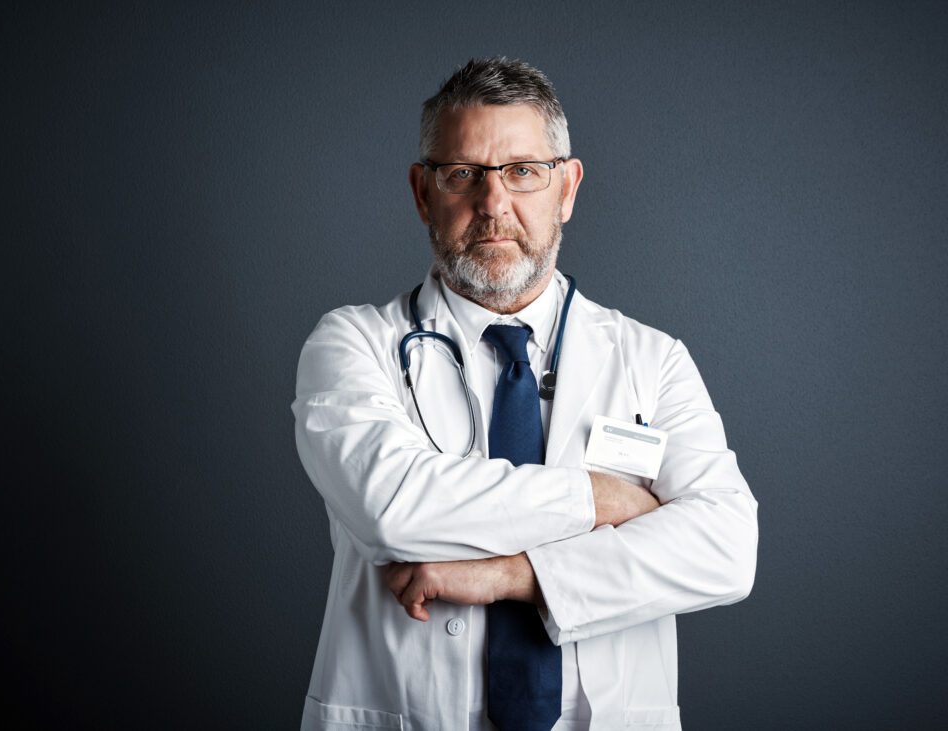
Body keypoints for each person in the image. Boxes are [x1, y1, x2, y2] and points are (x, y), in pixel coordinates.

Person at [292, 57, 758, 731]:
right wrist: (598, 498)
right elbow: (392, 505)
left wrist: (516, 574)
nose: (494, 203)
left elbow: (725, 547)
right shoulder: (352, 344)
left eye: (523, 172)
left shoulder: (653, 361)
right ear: (423, 192)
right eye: (463, 175)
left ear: (565, 188)